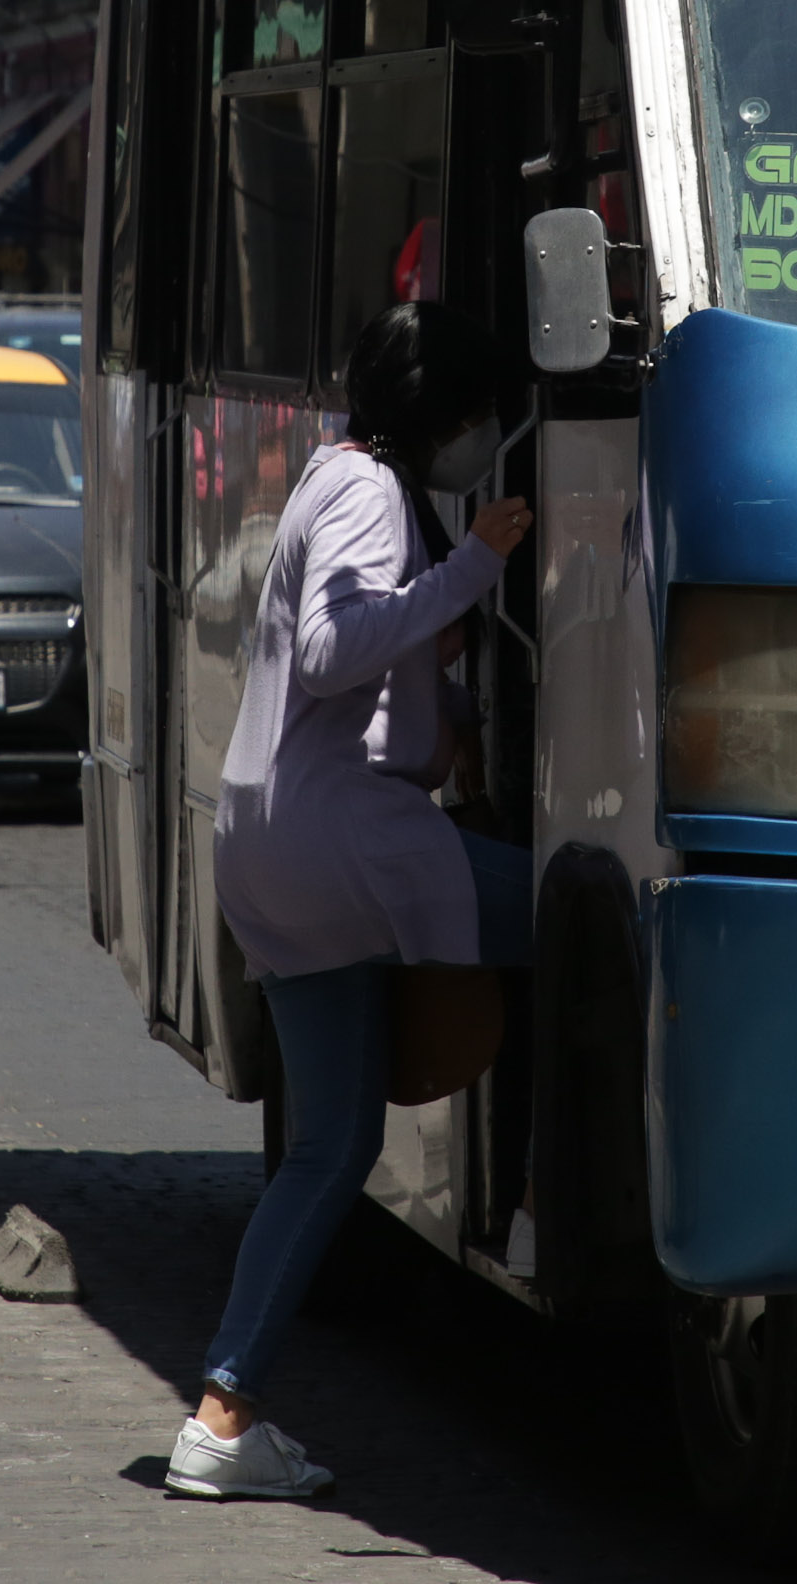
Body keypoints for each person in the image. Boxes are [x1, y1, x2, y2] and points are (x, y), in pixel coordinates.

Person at [163, 301, 536, 1502]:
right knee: (581, 928)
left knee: (329, 1146)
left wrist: (456, 718)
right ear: (445, 413)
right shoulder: (378, 492)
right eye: (479, 412)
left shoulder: (332, 474)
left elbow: (344, 673)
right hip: (347, 839)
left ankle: (222, 1414)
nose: (488, 432)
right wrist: (478, 561)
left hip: (265, 841)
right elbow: (334, 650)